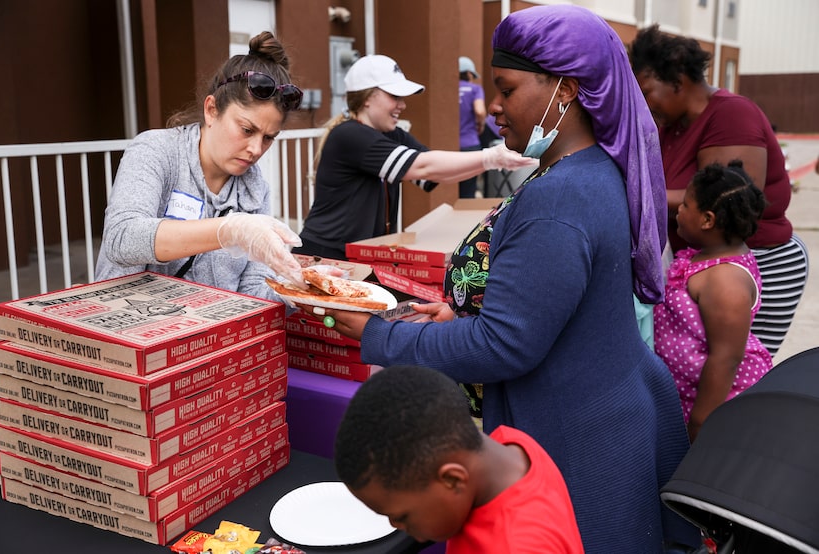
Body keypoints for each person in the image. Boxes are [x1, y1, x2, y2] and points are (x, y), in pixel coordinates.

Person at [303, 6, 700, 552]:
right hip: (601, 403)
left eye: (506, 89)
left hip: (574, 431)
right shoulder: (586, 170)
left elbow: (507, 343)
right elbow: (542, 302)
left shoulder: (560, 197)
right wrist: (464, 314)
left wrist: (379, 334)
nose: (493, 107)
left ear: (564, 90)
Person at [629, 24, 809, 358]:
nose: (642, 102)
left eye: (647, 90)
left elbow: (726, 198)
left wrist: (633, 194)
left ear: (678, 81)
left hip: (756, 263)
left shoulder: (730, 114)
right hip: (706, 268)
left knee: (731, 374)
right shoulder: (673, 126)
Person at [95, 31, 306, 302]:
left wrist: (300, 294)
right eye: (246, 129)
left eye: (268, 138)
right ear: (211, 110)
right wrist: (228, 231)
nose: (256, 149)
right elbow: (122, 238)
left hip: (206, 334)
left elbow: (252, 291)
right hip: (128, 321)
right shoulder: (157, 151)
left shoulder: (254, 189)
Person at [293, 54, 534, 260]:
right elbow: (424, 167)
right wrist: (491, 158)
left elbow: (437, 171)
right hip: (325, 255)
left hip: (361, 255)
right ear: (367, 97)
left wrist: (497, 160)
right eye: (394, 96)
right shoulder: (349, 134)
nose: (402, 105)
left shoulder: (392, 135)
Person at [334, 364, 585, 553]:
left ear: (453, 479)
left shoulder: (517, 545)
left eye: (402, 516)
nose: (395, 525)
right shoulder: (512, 447)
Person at [655, 161, 773, 443]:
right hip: (687, 392)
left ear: (708, 220)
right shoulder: (705, 255)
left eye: (685, 205)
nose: (678, 211)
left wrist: (701, 421)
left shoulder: (725, 280)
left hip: (715, 402)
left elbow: (726, 358)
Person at [458, 56, 487, 198]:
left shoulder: (450, 89)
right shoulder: (475, 89)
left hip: (451, 147)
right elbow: (480, 110)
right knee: (468, 191)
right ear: (469, 73)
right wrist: (480, 125)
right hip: (470, 144)